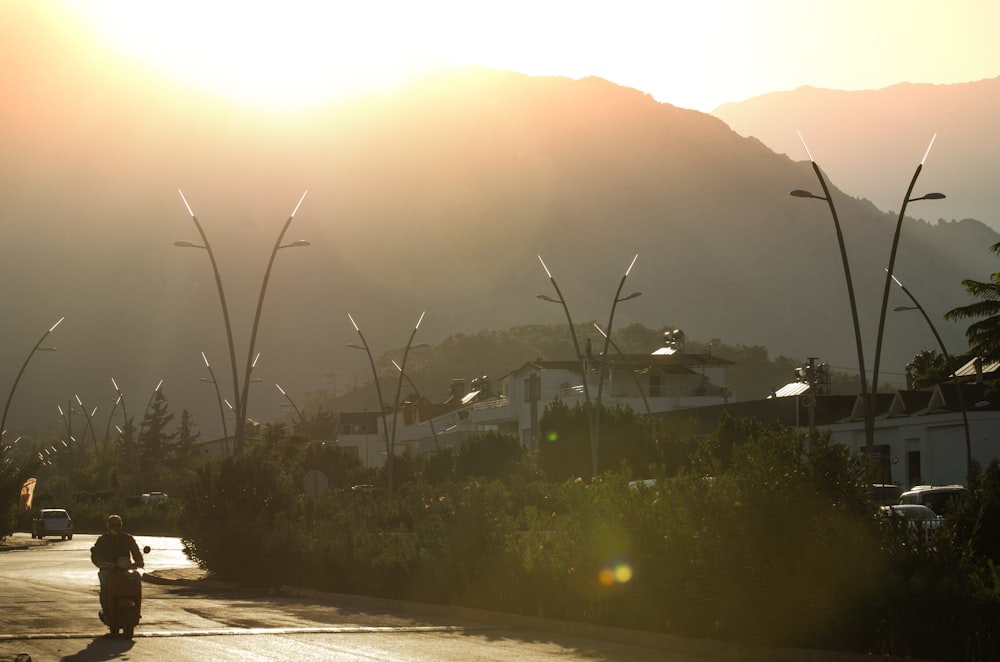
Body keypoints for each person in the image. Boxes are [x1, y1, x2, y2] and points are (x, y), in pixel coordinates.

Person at [90, 514, 144, 621]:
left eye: (117, 525)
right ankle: (107, 610)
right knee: (105, 582)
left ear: (121, 526)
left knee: (137, 578)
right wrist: (102, 563)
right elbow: (96, 555)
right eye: (112, 525)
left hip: (125, 569)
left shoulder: (127, 538)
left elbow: (136, 551)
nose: (115, 528)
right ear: (108, 526)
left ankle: (137, 610)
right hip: (108, 569)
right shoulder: (103, 539)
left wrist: (139, 561)